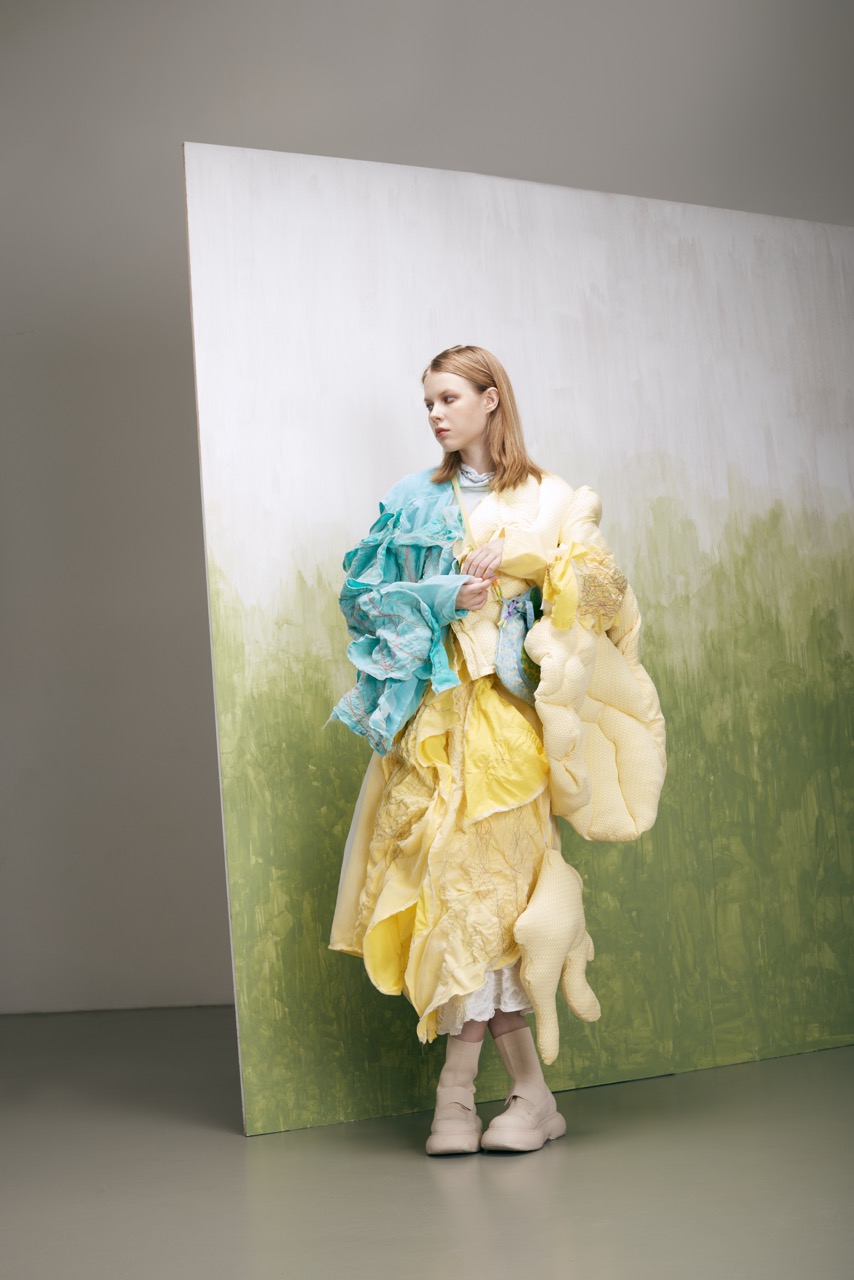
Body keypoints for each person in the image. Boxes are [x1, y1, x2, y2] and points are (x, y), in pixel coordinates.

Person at [330, 345, 666, 1154]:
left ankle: (458, 1099)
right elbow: (361, 602)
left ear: (491, 400)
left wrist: (533, 566)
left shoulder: (549, 498)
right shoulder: (412, 498)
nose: (435, 414)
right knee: (452, 900)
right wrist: (444, 593)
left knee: (499, 904)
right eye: (428, 402)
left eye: (449, 398)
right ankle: (528, 1098)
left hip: (512, 730)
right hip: (433, 728)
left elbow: (609, 604)